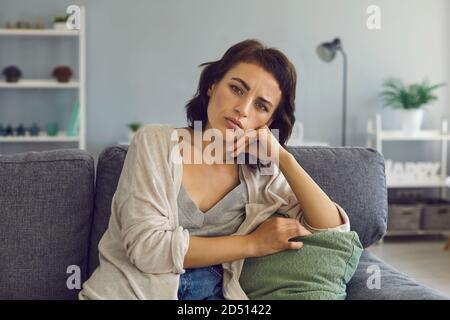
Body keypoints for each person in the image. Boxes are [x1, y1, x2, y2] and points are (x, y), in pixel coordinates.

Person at [79, 39, 350, 300]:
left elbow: (331, 229)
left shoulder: (261, 173)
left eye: (261, 106)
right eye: (237, 89)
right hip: (132, 293)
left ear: (268, 121)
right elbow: (148, 250)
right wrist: (253, 244)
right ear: (212, 85)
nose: (242, 109)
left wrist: (283, 158)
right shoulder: (155, 142)